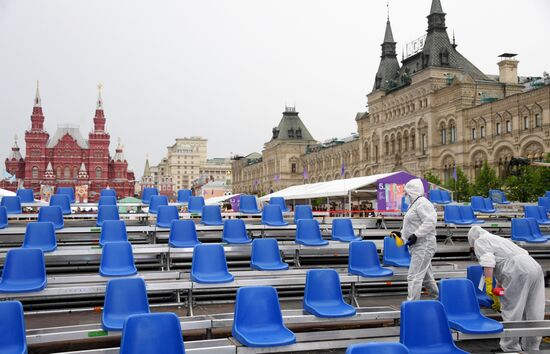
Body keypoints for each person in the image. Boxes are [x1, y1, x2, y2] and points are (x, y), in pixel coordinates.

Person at [468, 226, 545, 352]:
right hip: (533, 266)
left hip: (518, 269)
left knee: (512, 309)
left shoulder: (480, 241)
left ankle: (510, 347)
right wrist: (497, 289)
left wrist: (488, 285)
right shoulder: (499, 239)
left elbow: (488, 262)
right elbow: (504, 264)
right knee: (533, 309)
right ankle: (532, 347)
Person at [393, 179, 439, 301]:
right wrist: (402, 234)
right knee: (426, 277)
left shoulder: (423, 203)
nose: (405, 196)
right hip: (418, 245)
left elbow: (430, 221)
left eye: (407, 193)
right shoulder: (413, 204)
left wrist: (416, 235)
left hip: (424, 244)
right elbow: (411, 225)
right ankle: (438, 298)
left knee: (414, 276)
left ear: (412, 191)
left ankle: (411, 305)